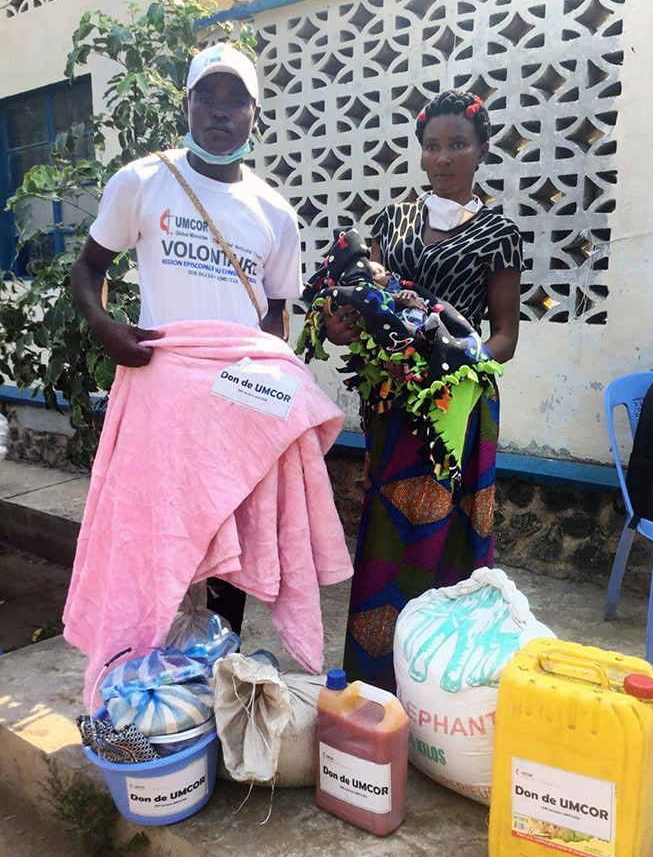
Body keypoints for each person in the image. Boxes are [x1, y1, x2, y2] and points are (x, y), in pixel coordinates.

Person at [71, 42, 302, 635]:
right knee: (155, 542)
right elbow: (88, 267)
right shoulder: (144, 181)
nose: (219, 112)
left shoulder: (274, 213)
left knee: (230, 546)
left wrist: (264, 387)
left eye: (235, 101)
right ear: (188, 105)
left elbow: (274, 314)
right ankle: (144, 674)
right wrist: (103, 327)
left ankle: (214, 672)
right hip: (160, 404)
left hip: (234, 407)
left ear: (255, 114)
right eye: (208, 97)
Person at [323, 90, 523, 691]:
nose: (443, 158)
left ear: (482, 150)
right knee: (387, 527)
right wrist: (342, 325)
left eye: (457, 144)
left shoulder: (499, 232)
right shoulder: (394, 220)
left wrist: (458, 362)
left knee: (450, 533)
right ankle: (375, 678)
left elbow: (506, 335)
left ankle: (443, 682)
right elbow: (372, 303)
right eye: (432, 146)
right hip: (393, 398)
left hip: (457, 404)